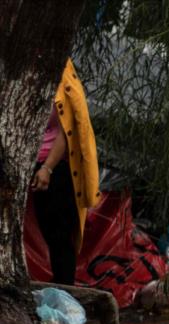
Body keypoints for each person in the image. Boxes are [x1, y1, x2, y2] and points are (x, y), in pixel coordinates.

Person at [29, 58, 100, 285]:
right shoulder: (22, 76)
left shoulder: (62, 80)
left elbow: (66, 133)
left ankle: (65, 291)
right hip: (30, 165)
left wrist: (47, 168)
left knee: (58, 235)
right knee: (47, 231)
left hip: (56, 168)